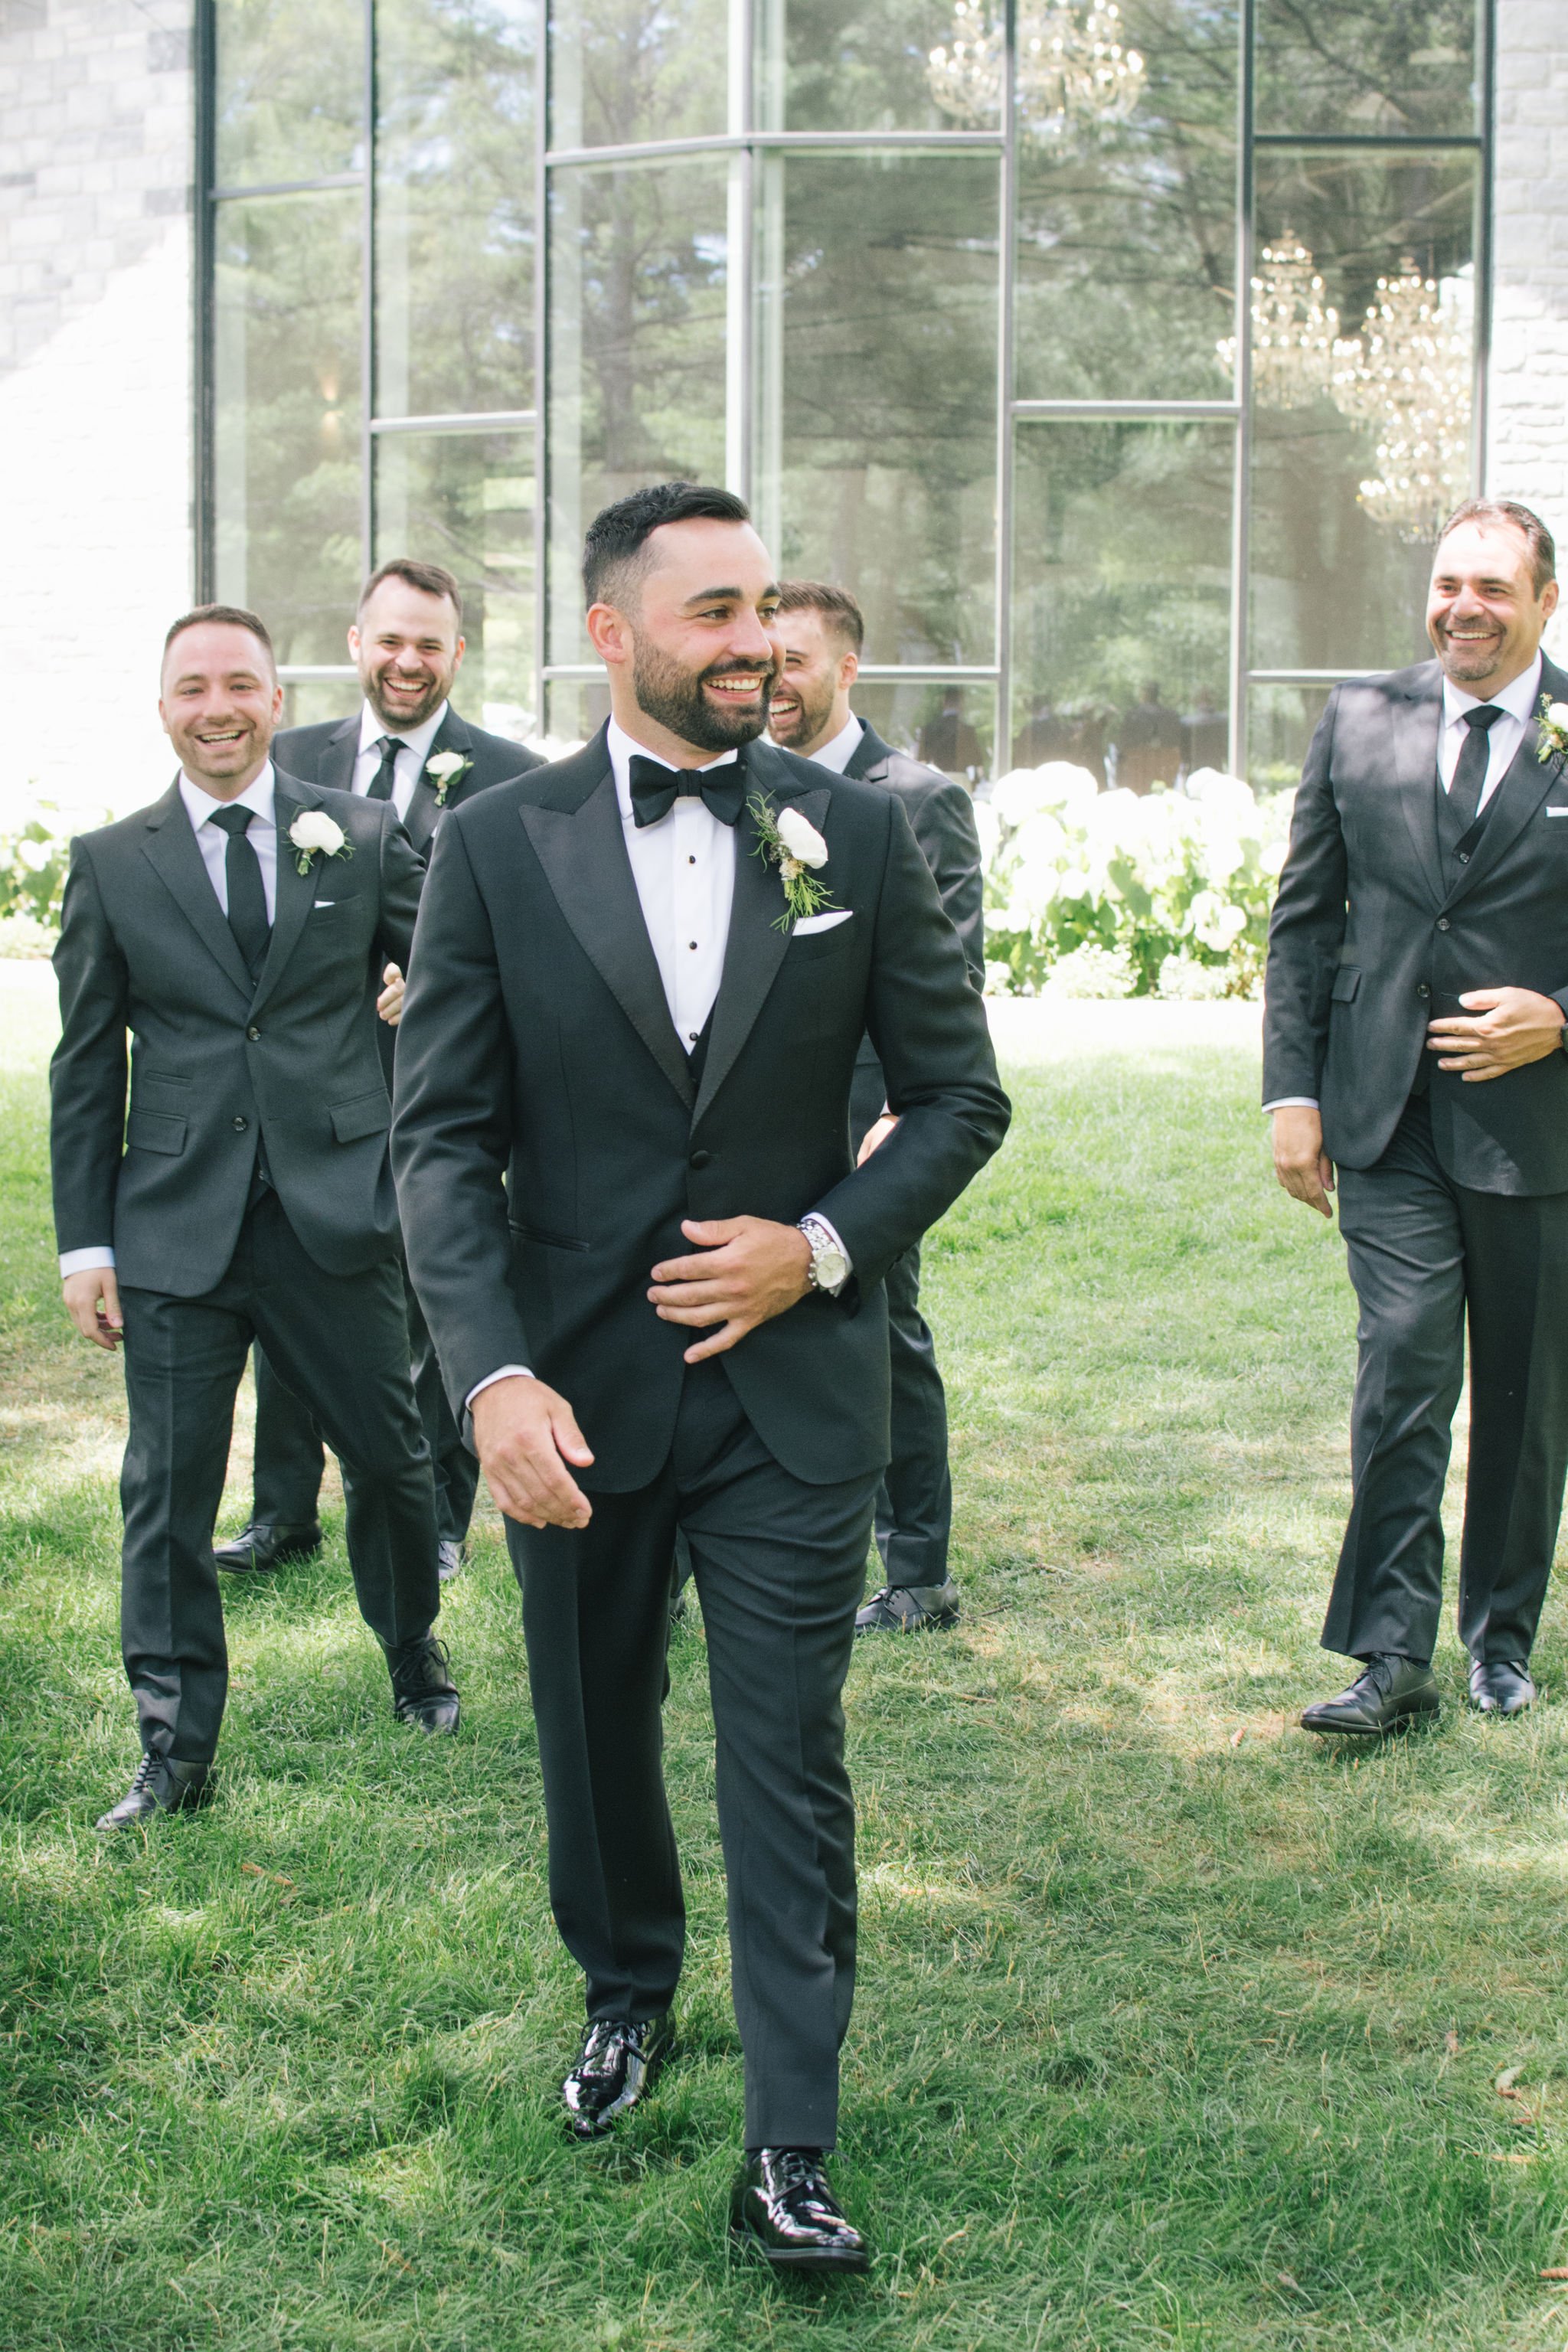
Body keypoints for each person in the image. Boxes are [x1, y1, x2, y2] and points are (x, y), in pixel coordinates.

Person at [391, 482, 1008, 2270]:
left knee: (784, 1751)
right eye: (714, 612)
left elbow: (959, 1094)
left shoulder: (855, 836)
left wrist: (814, 1242)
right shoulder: (496, 845)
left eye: (763, 609)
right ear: (613, 633)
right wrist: (491, 1377)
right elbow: (438, 1139)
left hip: (791, 1391)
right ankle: (623, 1982)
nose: (754, 643)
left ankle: (787, 2142)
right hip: (570, 1395)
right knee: (590, 1733)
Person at [51, 605, 459, 1834]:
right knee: (165, 1494)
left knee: (392, 1462)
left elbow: (447, 987)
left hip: (337, 1209)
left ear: (281, 700)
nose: (217, 706)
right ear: (163, 706)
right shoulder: (112, 861)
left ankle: (411, 1654)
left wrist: (408, 993)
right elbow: (85, 1070)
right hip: (174, 1225)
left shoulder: (369, 835)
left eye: (241, 683)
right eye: (192, 688)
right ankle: (173, 1751)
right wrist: (87, 1243)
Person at [1265, 497, 1568, 1735]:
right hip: (1379, 1113)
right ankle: (1388, 1653)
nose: (1462, 608)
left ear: (1543, 602)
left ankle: (1498, 1637)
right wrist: (1290, 1090)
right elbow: (1302, 920)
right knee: (1400, 1369)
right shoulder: (1358, 718)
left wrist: (1558, 1013)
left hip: (1536, 1128)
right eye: (1447, 583)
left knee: (1521, 1388)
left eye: (1492, 588)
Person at [218, 558, 543, 1586]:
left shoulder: (512, 773)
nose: (409, 660)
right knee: (284, 1277)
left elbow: (521, 939)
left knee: (429, 1287)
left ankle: (438, 1511)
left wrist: (435, 985)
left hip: (437, 1082)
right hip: (305, 1082)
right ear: (357, 643)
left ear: (457, 654)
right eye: (391, 639)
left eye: (431, 643)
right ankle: (282, 1512)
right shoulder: (289, 753)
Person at [768, 579, 985, 1632]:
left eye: (794, 660)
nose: (772, 680)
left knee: (881, 1323)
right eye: (761, 658)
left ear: (846, 668)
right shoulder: (726, 782)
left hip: (865, 1115)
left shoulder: (916, 797)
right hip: (745, 1113)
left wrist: (903, 1112)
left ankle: (918, 1573)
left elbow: (949, 983)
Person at [1112, 680, 1182, 795]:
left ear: (1144, 694)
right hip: (1161, 767)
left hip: (1139, 768)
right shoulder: (1170, 716)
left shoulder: (1133, 715)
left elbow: (1124, 746)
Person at [916, 686, 984, 782]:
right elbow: (977, 763)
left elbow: (921, 760)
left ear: (943, 702)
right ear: (962, 703)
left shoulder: (928, 729)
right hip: (960, 781)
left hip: (936, 780)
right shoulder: (968, 731)